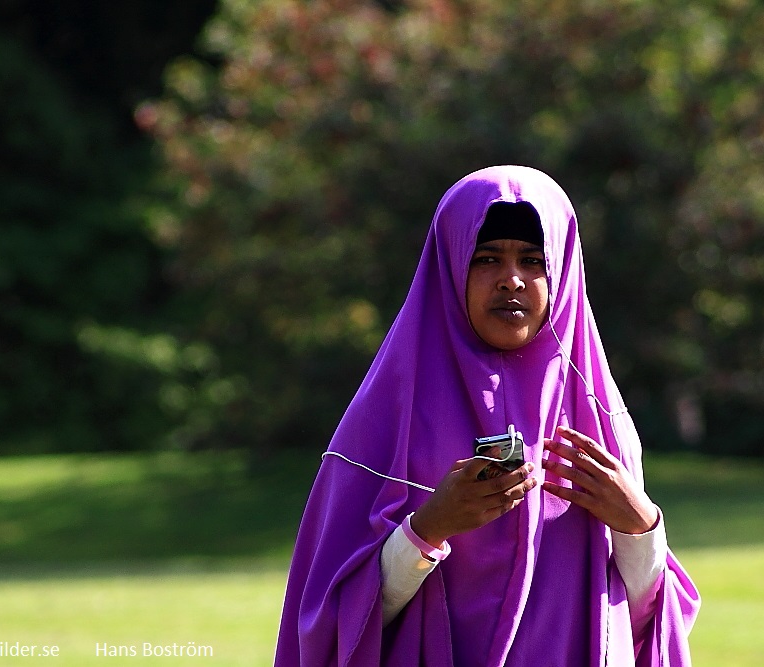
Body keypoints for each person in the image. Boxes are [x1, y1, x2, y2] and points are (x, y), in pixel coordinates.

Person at [275, 165, 700, 666]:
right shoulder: (387, 419)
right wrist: (428, 528)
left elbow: (643, 619)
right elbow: (327, 625)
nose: (511, 279)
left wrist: (641, 529)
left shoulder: (600, 415)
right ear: (450, 265)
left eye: (532, 260)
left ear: (561, 272)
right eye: (487, 258)